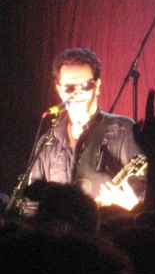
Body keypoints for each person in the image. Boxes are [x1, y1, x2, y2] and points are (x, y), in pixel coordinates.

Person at [27, 48, 142, 206]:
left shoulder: (123, 131)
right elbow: (31, 204)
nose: (77, 93)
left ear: (98, 85)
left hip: (108, 228)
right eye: (69, 87)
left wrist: (129, 204)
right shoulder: (47, 141)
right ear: (58, 89)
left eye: (86, 85)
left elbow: (144, 193)